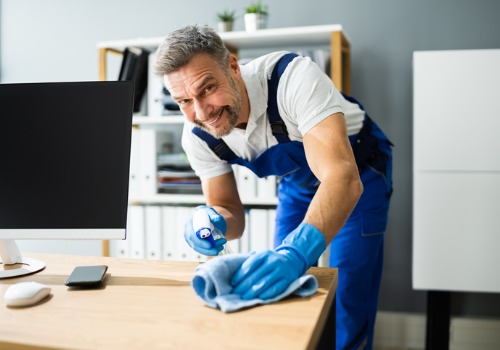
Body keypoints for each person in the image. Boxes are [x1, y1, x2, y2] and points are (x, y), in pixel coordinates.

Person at [154, 24, 393, 349]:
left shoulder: (293, 79)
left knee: (348, 288)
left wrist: (297, 252)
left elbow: (342, 178)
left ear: (233, 67)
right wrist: (216, 222)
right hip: (297, 183)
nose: (200, 112)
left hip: (358, 172)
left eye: (207, 88)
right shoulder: (196, 136)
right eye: (184, 100)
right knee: (281, 288)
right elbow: (231, 213)